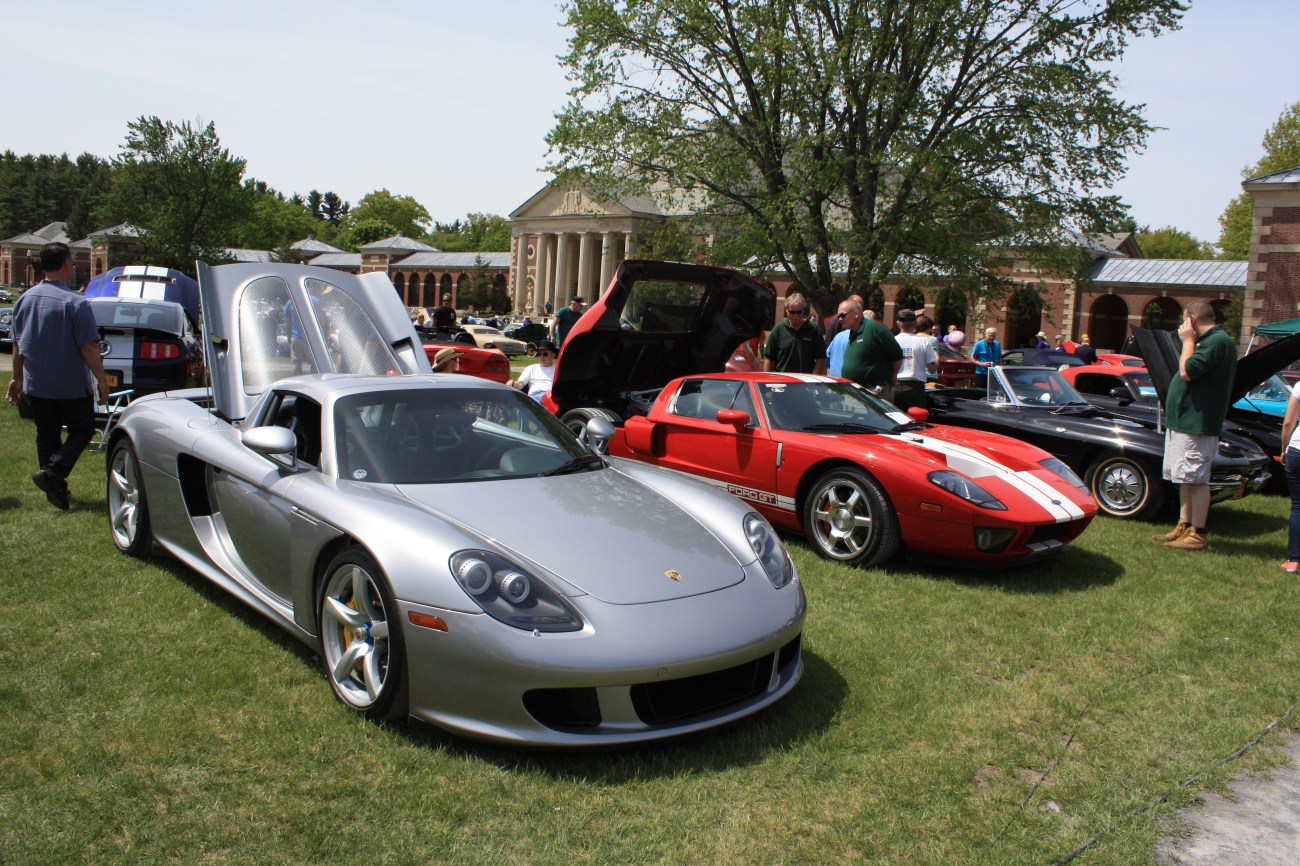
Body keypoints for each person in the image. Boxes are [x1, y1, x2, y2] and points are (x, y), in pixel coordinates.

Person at [5, 242, 109, 510]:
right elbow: (88, 346)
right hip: (70, 385)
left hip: (37, 383)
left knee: (47, 435)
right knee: (83, 429)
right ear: (65, 264)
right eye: (72, 262)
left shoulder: (24, 299)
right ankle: (52, 474)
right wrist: (100, 378)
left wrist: (17, 378)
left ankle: (55, 487)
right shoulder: (76, 302)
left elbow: (18, 345)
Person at [1151, 302, 1238, 551]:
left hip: (1197, 423)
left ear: (1192, 318)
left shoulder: (1217, 342)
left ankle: (1198, 533)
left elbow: (1188, 370)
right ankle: (1184, 524)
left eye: (1184, 320)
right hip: (1186, 421)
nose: (1182, 326)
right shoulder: (1209, 341)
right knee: (1185, 477)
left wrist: (1188, 341)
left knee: (1196, 477)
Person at [827, 299, 902, 401]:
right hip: (853, 391)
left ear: (856, 313)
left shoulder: (875, 329)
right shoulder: (851, 333)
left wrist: (893, 376)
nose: (839, 319)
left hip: (873, 393)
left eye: (842, 315)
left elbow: (897, 355)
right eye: (838, 316)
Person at [762, 292, 826, 374]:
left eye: (799, 312)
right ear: (786, 311)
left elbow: (821, 358)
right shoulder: (778, 330)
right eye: (792, 312)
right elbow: (769, 358)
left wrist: (814, 378)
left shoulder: (814, 330)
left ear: (803, 311)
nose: (796, 315)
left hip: (805, 381)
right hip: (781, 381)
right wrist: (768, 380)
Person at [892, 309, 936, 410]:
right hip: (916, 386)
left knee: (896, 419)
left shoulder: (893, 341)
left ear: (898, 323)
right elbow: (932, 368)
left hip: (896, 384)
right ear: (915, 324)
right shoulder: (924, 342)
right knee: (917, 419)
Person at [1281, 380, 1300, 573]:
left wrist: (1283, 449)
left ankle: (1294, 560)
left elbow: (1288, 423)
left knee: (1298, 505)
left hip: (1296, 450)